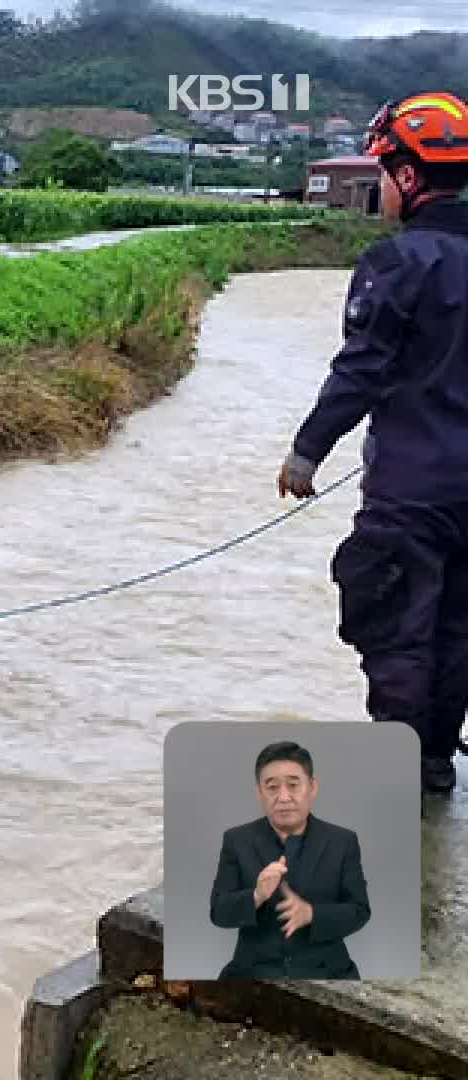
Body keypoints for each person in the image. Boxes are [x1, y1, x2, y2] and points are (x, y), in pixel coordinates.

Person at [277, 91, 468, 794]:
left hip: (411, 492)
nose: (382, 188)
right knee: (457, 631)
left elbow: (362, 370)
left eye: (385, 173)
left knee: (397, 628)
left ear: (410, 178)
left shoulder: (399, 262)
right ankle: (433, 764)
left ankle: (396, 775)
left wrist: (307, 452)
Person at [209, 741, 371, 980]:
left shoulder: (342, 841)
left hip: (328, 970)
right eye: (272, 787)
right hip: (253, 971)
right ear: (259, 793)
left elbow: (359, 910)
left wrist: (311, 914)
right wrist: (257, 896)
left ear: (312, 787)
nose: (283, 797)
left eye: (293, 785)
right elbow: (219, 912)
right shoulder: (237, 840)